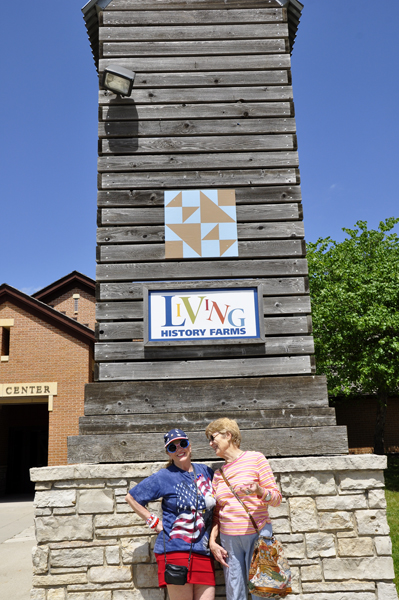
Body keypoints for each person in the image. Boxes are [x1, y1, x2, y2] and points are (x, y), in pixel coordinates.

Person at [125, 428, 216, 600]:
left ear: (189, 445)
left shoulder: (205, 472)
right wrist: (154, 522)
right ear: (168, 452)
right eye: (172, 447)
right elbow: (132, 497)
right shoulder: (164, 476)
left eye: (182, 443)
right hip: (175, 551)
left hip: (203, 552)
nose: (179, 449)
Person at [205, 418, 282, 600]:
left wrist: (259, 490)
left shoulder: (256, 459)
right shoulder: (218, 474)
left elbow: (277, 499)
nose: (210, 443)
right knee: (234, 594)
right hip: (229, 542)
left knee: (261, 593)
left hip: (258, 535)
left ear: (228, 435)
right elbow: (217, 513)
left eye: (212, 437)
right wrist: (213, 541)